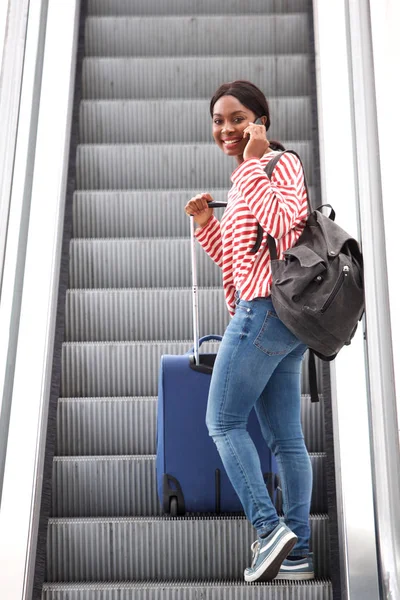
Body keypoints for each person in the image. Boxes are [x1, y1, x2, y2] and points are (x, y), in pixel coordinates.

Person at [184, 80, 313, 583]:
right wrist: (205, 226)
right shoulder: (244, 178)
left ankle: (268, 529)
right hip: (277, 315)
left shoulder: (279, 165)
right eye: (218, 121)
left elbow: (287, 227)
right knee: (285, 439)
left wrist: (257, 164)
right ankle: (297, 555)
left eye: (238, 118)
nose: (226, 129)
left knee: (222, 421)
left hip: (265, 314)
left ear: (261, 120)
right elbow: (247, 261)